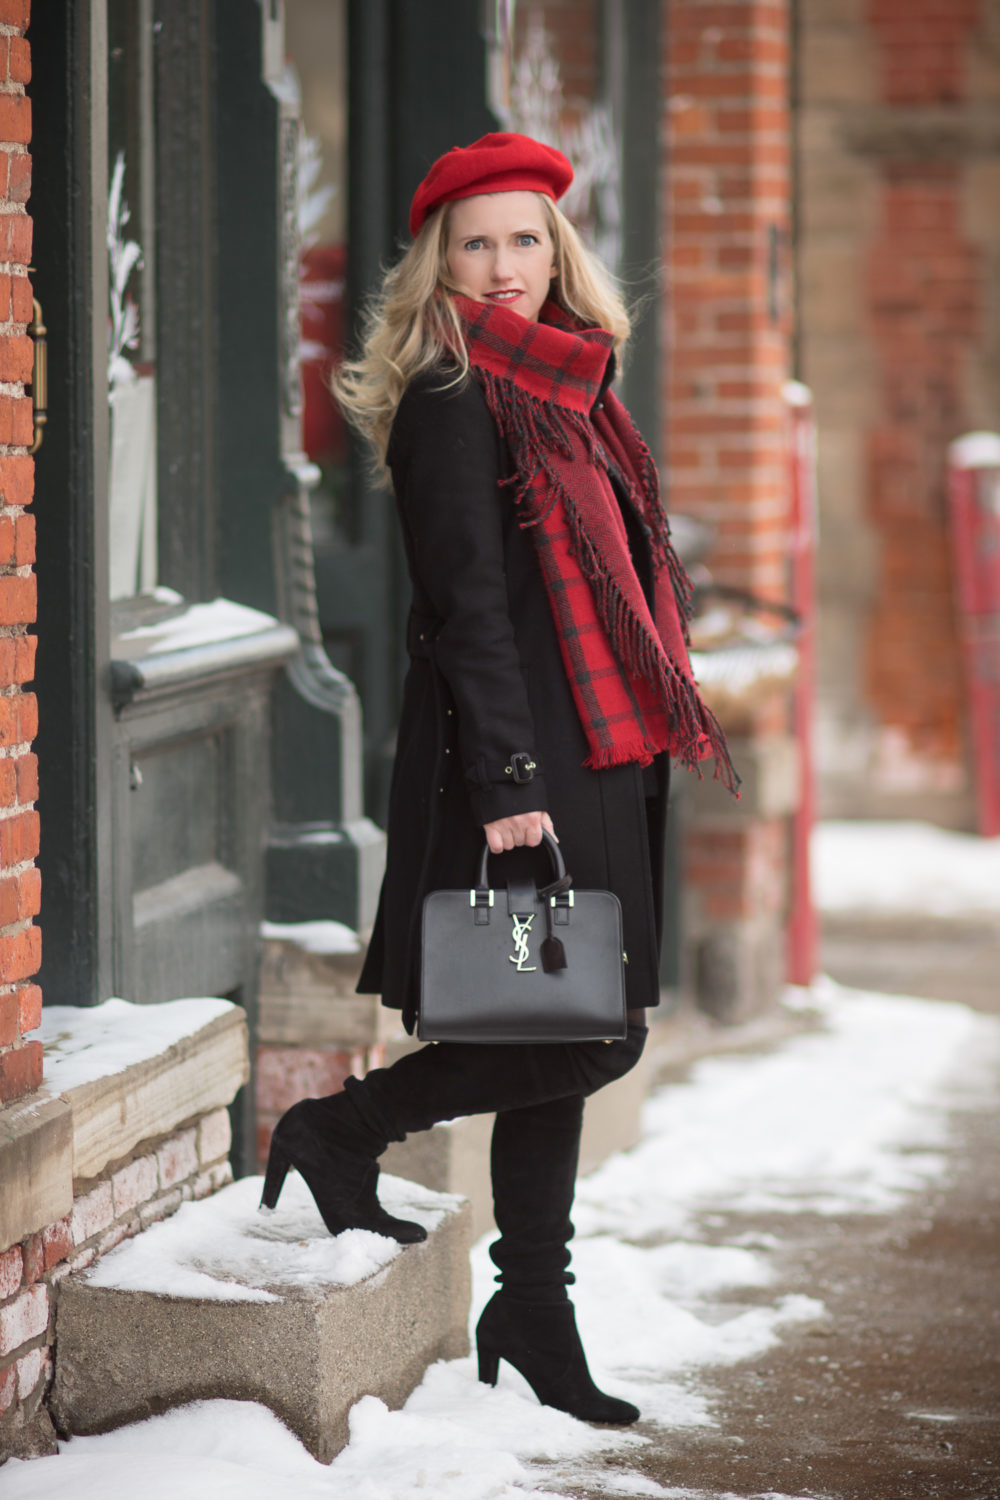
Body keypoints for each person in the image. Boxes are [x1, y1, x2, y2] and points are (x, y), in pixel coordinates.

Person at [261, 132, 737, 1426]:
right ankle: (342, 1129)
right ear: (441, 263)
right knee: (589, 1033)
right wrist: (510, 777)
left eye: (525, 238)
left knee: (557, 1029)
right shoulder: (452, 397)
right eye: (475, 244)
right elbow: (467, 606)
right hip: (520, 757)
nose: (504, 264)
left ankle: (534, 1308)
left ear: (558, 250)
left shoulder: (577, 390)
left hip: (600, 749)